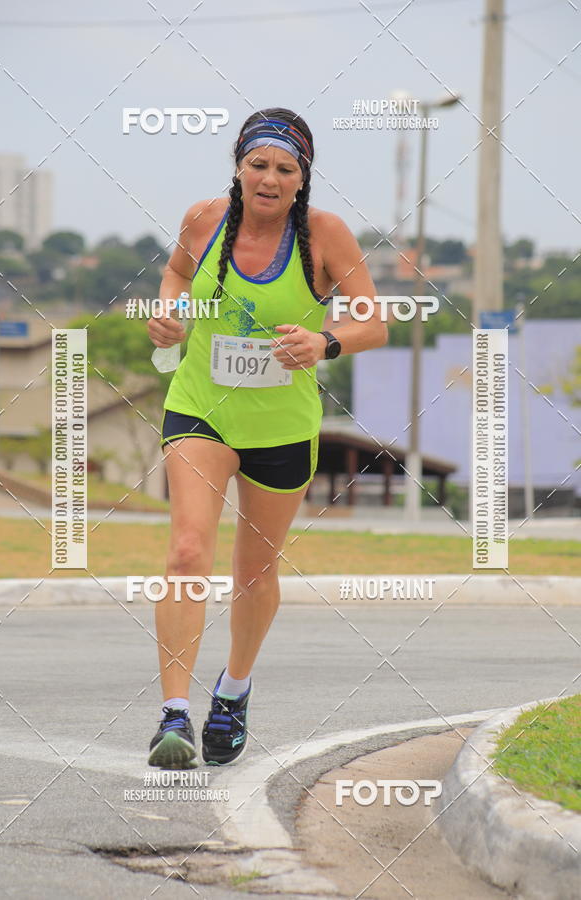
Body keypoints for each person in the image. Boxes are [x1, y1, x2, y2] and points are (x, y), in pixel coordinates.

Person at [146, 107, 387, 769]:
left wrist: (325, 340)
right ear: (239, 167)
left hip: (282, 427)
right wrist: (170, 314)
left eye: (286, 168)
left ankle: (234, 689)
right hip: (203, 412)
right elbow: (174, 275)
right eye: (259, 164)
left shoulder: (325, 235)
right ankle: (174, 716)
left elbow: (376, 322)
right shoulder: (204, 220)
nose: (271, 178)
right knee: (188, 551)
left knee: (255, 572)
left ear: (302, 177)